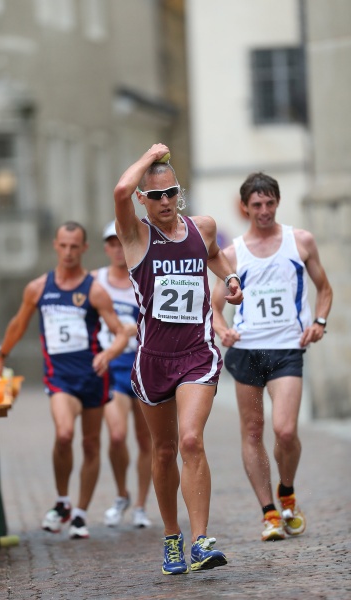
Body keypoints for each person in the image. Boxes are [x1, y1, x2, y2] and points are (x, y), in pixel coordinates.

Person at [113, 143, 243, 574]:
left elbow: (215, 257)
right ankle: (172, 536)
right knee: (164, 449)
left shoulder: (201, 228)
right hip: (153, 360)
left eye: (172, 192)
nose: (166, 201)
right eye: (156, 196)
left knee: (190, 440)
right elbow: (119, 190)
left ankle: (201, 541)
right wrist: (149, 156)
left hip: (196, 355)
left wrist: (231, 277)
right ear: (142, 200)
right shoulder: (135, 236)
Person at [0, 221, 128, 539]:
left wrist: (108, 354)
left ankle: (80, 513)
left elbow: (120, 333)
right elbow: (18, 324)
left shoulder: (94, 290)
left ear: (84, 248)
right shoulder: (38, 288)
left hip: (93, 377)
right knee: (64, 434)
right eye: (63, 246)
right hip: (59, 378)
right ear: (55, 245)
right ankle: (63, 500)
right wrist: (0, 356)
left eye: (74, 246)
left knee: (91, 444)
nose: (68, 252)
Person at [212, 172, 333, 542]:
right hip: (247, 351)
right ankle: (269, 513)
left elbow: (324, 289)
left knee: (285, 430)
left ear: (277, 202)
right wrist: (222, 330)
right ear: (245, 207)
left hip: (286, 349)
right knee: (252, 431)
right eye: (256, 205)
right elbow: (213, 307)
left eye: (269, 203)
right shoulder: (233, 254)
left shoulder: (300, 241)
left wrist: (319, 322)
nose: (263, 210)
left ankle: (287, 491)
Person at [91, 222, 152, 528]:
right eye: (112, 243)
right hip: (111, 367)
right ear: (106, 248)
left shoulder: (147, 277)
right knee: (116, 435)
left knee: (146, 439)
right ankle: (121, 494)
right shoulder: (95, 281)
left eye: (122, 242)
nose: (118, 249)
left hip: (143, 364)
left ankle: (140, 504)